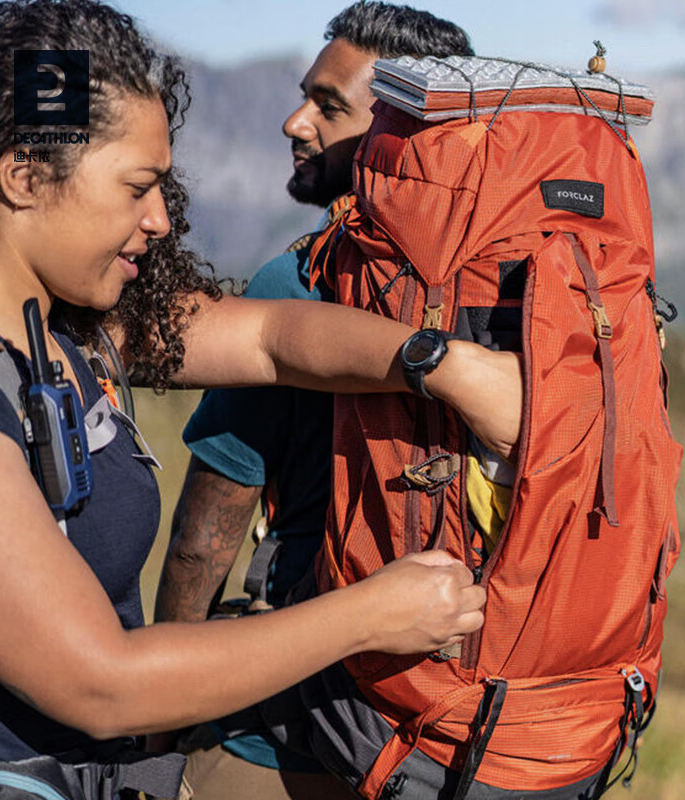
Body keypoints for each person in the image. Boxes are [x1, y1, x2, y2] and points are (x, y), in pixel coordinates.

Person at [0, 0, 522, 796]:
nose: (160, 219)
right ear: (23, 177)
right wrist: (371, 615)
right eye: (137, 188)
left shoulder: (69, 331)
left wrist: (444, 364)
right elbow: (102, 683)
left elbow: (270, 336)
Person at [154, 4, 473, 795]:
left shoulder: (300, 285)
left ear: (399, 127)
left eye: (329, 106)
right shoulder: (517, 292)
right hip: (468, 739)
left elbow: (202, 541)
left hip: (298, 739)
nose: (296, 122)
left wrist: (158, 722)